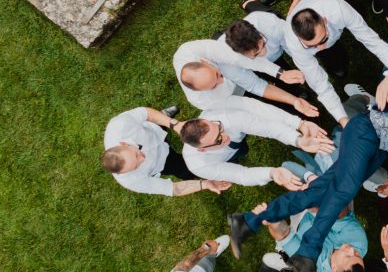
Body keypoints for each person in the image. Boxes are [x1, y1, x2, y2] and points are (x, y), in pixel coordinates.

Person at [226, 67, 388, 272]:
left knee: (320, 191)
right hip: (365, 130)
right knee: (345, 189)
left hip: (379, 150)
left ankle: (247, 221)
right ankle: (307, 253)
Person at [284, 0, 388, 126]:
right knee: (332, 57)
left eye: (322, 39)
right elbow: (320, 85)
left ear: (325, 21)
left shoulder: (338, 9)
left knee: (360, 13)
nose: (320, 48)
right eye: (311, 46)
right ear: (299, 38)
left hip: (329, 0)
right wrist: (343, 119)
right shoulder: (294, 44)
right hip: (321, 30)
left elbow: (372, 41)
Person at [180, 107, 334, 187]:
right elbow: (242, 175)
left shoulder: (226, 117)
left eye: (219, 128)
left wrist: (298, 140)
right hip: (224, 158)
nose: (225, 134)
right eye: (218, 139)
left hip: (241, 129)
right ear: (202, 149)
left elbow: (268, 127)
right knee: (239, 154)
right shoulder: (199, 165)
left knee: (240, 143)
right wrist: (271, 173)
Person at [102, 106, 231, 197]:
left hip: (152, 132)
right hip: (162, 162)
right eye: (136, 166)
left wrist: (174, 124)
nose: (143, 159)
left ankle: (163, 118)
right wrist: (204, 184)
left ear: (123, 144)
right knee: (185, 170)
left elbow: (146, 113)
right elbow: (172, 189)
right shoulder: (131, 181)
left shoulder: (119, 126)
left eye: (136, 155)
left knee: (159, 122)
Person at [174, 36, 315, 116]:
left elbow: (240, 59)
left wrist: (280, 73)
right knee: (266, 106)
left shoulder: (192, 50)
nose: (222, 81)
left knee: (250, 62)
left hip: (225, 59)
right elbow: (251, 100)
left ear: (204, 61)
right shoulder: (205, 101)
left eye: (217, 75)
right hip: (232, 96)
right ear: (201, 91)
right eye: (214, 86)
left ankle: (295, 92)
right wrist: (293, 101)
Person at [251, 200, 368, 272]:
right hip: (330, 207)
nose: (352, 249)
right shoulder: (359, 241)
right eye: (357, 255)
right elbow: (335, 211)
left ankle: (286, 258)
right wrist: (312, 198)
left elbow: (285, 236)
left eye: (348, 256)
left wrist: (271, 219)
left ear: (333, 267)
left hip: (300, 225)